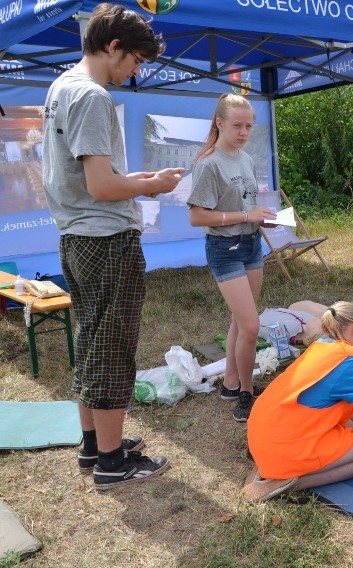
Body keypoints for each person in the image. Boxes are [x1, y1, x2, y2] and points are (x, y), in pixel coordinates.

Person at [41, 3, 183, 489]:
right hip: (105, 236)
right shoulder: (93, 97)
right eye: (136, 60)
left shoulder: (61, 87)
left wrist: (139, 179)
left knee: (92, 336)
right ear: (113, 46)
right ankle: (110, 462)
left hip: (77, 234)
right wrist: (150, 186)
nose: (136, 71)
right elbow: (102, 186)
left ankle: (92, 446)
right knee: (112, 345)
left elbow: (90, 178)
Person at [243, 302, 353, 502]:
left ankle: (269, 466)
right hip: (283, 443)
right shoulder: (352, 360)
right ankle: (285, 483)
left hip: (262, 433)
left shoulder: (319, 347)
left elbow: (323, 400)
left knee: (348, 425)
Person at [186, 93, 277, 422]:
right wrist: (243, 215)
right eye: (237, 125)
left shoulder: (245, 159)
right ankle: (247, 393)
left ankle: (230, 383)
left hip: (251, 244)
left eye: (249, 126)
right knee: (251, 326)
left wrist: (260, 217)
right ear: (219, 123)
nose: (243, 132)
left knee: (242, 321)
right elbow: (197, 217)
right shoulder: (208, 164)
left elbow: (247, 207)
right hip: (225, 250)